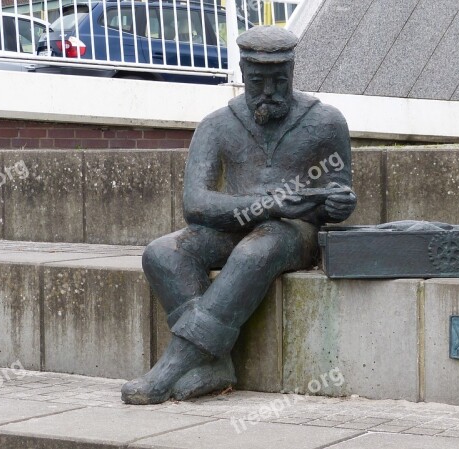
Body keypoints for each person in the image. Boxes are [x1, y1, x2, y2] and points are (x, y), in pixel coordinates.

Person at [121, 25, 357, 404]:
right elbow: (195, 204)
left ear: (292, 74)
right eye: (258, 82)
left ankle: (173, 364)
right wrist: (268, 202)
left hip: (293, 233)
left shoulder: (326, 121)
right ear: (243, 75)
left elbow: (339, 191)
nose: (268, 93)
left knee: (256, 251)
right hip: (234, 224)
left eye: (278, 82)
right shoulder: (217, 124)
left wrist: (338, 203)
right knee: (163, 253)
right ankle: (215, 363)